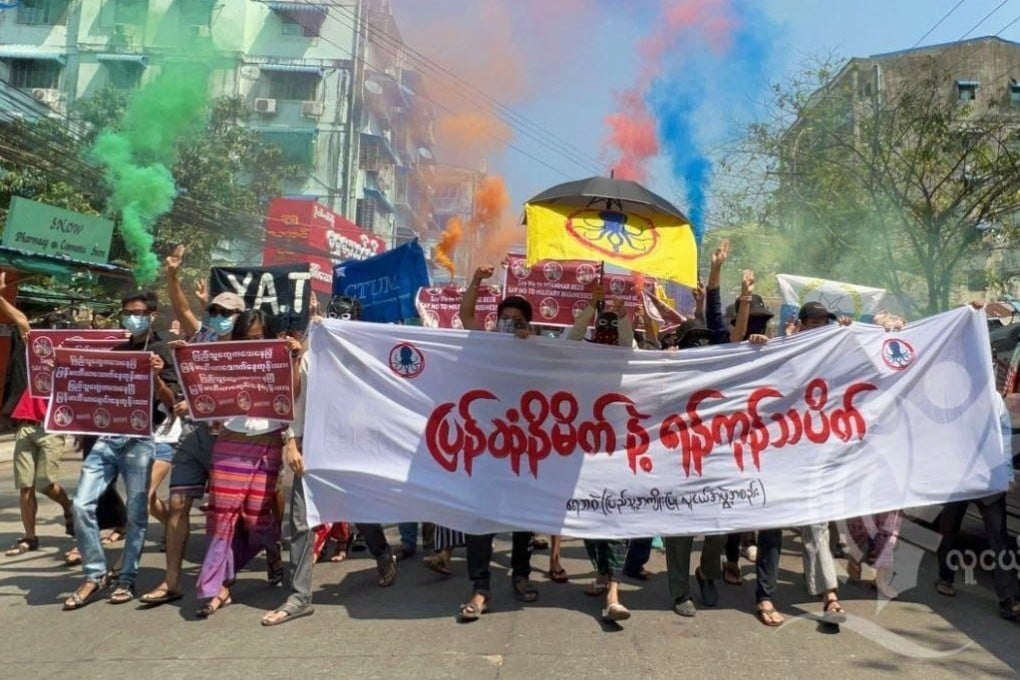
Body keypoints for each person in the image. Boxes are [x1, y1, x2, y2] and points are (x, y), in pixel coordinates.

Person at [261, 300, 398, 626]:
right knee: (300, 520)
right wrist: (291, 442)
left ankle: (381, 554)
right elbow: (296, 405)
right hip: (313, 448)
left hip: (353, 449)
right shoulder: (310, 360)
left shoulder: (368, 361)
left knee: (357, 509)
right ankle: (298, 596)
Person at [140, 248, 246, 606]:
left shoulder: (251, 350)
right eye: (213, 310)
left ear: (240, 317)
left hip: (232, 439)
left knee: (225, 513)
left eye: (225, 313)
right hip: (193, 435)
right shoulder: (200, 337)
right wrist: (172, 275)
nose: (216, 316)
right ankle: (173, 581)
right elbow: (182, 307)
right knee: (178, 503)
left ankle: (222, 579)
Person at [64, 291, 179, 609]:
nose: (133, 317)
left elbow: (172, 404)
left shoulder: (161, 350)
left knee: (138, 513)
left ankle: (127, 578)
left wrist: (156, 375)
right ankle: (95, 573)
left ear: (152, 314)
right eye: (127, 312)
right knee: (81, 505)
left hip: (141, 440)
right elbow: (99, 394)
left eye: (139, 312)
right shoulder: (118, 351)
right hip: (108, 438)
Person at [194, 309, 302, 617]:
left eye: (257, 339)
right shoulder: (226, 357)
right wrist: (182, 358)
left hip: (267, 440)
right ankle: (218, 585)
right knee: (222, 516)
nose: (251, 344)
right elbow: (202, 383)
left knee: (256, 517)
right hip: (229, 440)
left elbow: (292, 395)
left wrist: (293, 358)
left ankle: (271, 549)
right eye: (245, 339)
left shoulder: (280, 355)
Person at [752, 298, 847, 627]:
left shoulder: (830, 357)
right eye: (816, 321)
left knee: (817, 522)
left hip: (811, 454)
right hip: (777, 453)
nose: (821, 326)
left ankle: (829, 596)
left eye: (826, 322)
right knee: (772, 529)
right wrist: (762, 344)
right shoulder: (783, 350)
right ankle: (764, 596)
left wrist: (864, 332)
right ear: (803, 323)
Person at [455, 265, 537, 621]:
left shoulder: (535, 350)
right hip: (486, 448)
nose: (509, 325)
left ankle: (520, 575)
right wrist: (475, 281)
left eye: (517, 321)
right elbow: (465, 314)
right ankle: (480, 587)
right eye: (505, 319)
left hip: (522, 447)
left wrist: (531, 343)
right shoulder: (484, 342)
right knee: (480, 517)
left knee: (523, 518)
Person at [561, 283, 634, 621]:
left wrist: (621, 317)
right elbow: (569, 340)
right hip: (584, 451)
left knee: (616, 518)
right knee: (590, 517)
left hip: (619, 451)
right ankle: (603, 574)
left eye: (610, 326)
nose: (605, 333)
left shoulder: (628, 358)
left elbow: (627, 346)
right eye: (600, 325)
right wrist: (591, 306)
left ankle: (613, 591)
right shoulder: (581, 351)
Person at [0, 273, 74, 557]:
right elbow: (19, 320)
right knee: (25, 486)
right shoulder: (35, 346)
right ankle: (29, 536)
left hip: (52, 426)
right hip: (26, 425)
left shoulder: (73, 357)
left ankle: (68, 506)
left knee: (45, 483)